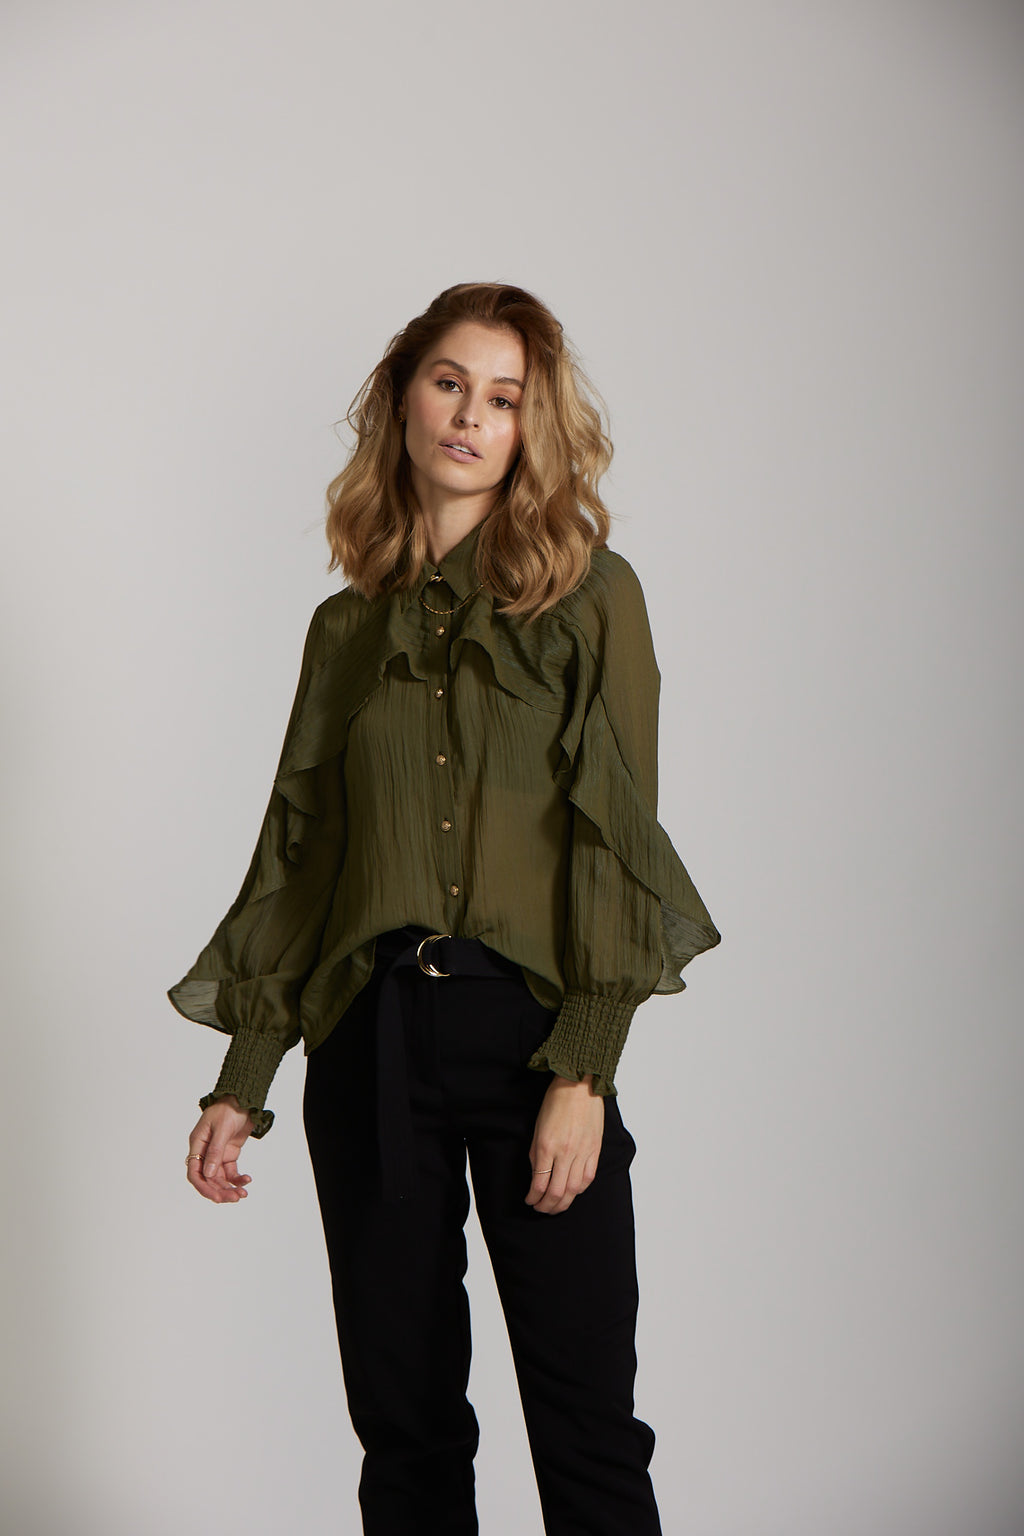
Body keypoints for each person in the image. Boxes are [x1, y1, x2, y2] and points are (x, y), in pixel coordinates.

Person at [169, 281, 721, 1536]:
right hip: (368, 1041)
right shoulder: (344, 629)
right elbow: (304, 857)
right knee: (404, 1426)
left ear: (533, 429)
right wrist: (243, 1075)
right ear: (404, 399)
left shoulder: (591, 598)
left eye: (504, 399)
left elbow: (617, 841)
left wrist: (584, 1070)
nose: (471, 417)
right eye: (450, 384)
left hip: (528, 1034)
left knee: (585, 1423)